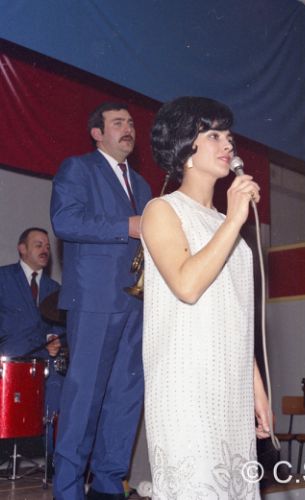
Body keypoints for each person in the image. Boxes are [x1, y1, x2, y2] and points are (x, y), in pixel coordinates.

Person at [141, 96, 270, 499]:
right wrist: (234, 219)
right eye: (213, 135)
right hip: (187, 385)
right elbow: (187, 285)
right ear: (185, 147)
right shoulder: (162, 210)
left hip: (230, 387)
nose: (227, 144)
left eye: (229, 136)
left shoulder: (226, 226)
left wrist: (256, 389)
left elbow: (235, 314)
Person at [50, 102, 152, 500]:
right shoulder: (78, 169)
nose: (128, 129)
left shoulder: (142, 185)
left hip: (136, 303)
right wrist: (126, 225)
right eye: (117, 123)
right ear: (97, 133)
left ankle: (109, 487)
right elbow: (65, 221)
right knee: (84, 396)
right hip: (94, 299)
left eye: (131, 123)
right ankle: (68, 490)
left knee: (126, 397)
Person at [0, 227, 63, 461]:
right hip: (8, 361)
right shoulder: (3, 278)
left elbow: (59, 326)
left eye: (47, 246)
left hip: (44, 364)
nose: (45, 250)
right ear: (22, 249)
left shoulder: (55, 289)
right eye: (38, 245)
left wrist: (54, 339)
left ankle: (53, 464)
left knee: (59, 391)